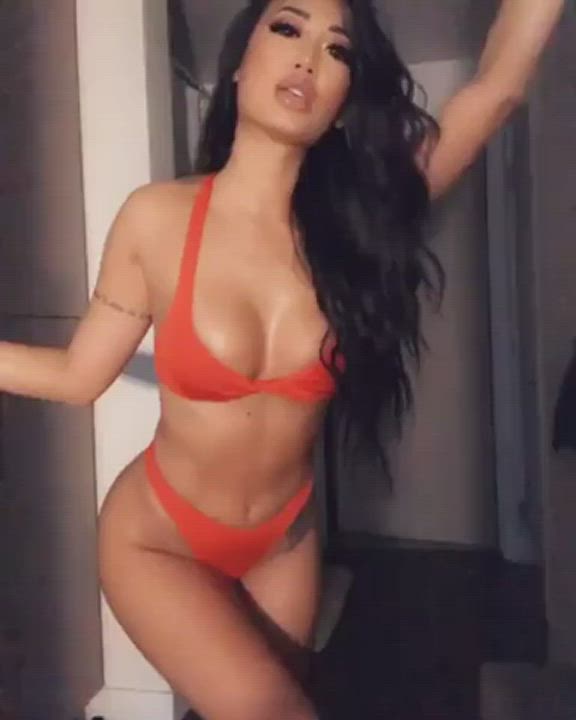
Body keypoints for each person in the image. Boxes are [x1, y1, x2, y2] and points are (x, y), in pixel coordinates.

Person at [0, 0, 564, 718]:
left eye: (338, 50)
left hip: (284, 542)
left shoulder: (360, 228)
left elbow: (498, 88)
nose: (308, 58)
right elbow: (78, 378)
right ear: (239, 65)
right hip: (159, 538)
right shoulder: (156, 217)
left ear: (343, 103)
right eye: (289, 28)